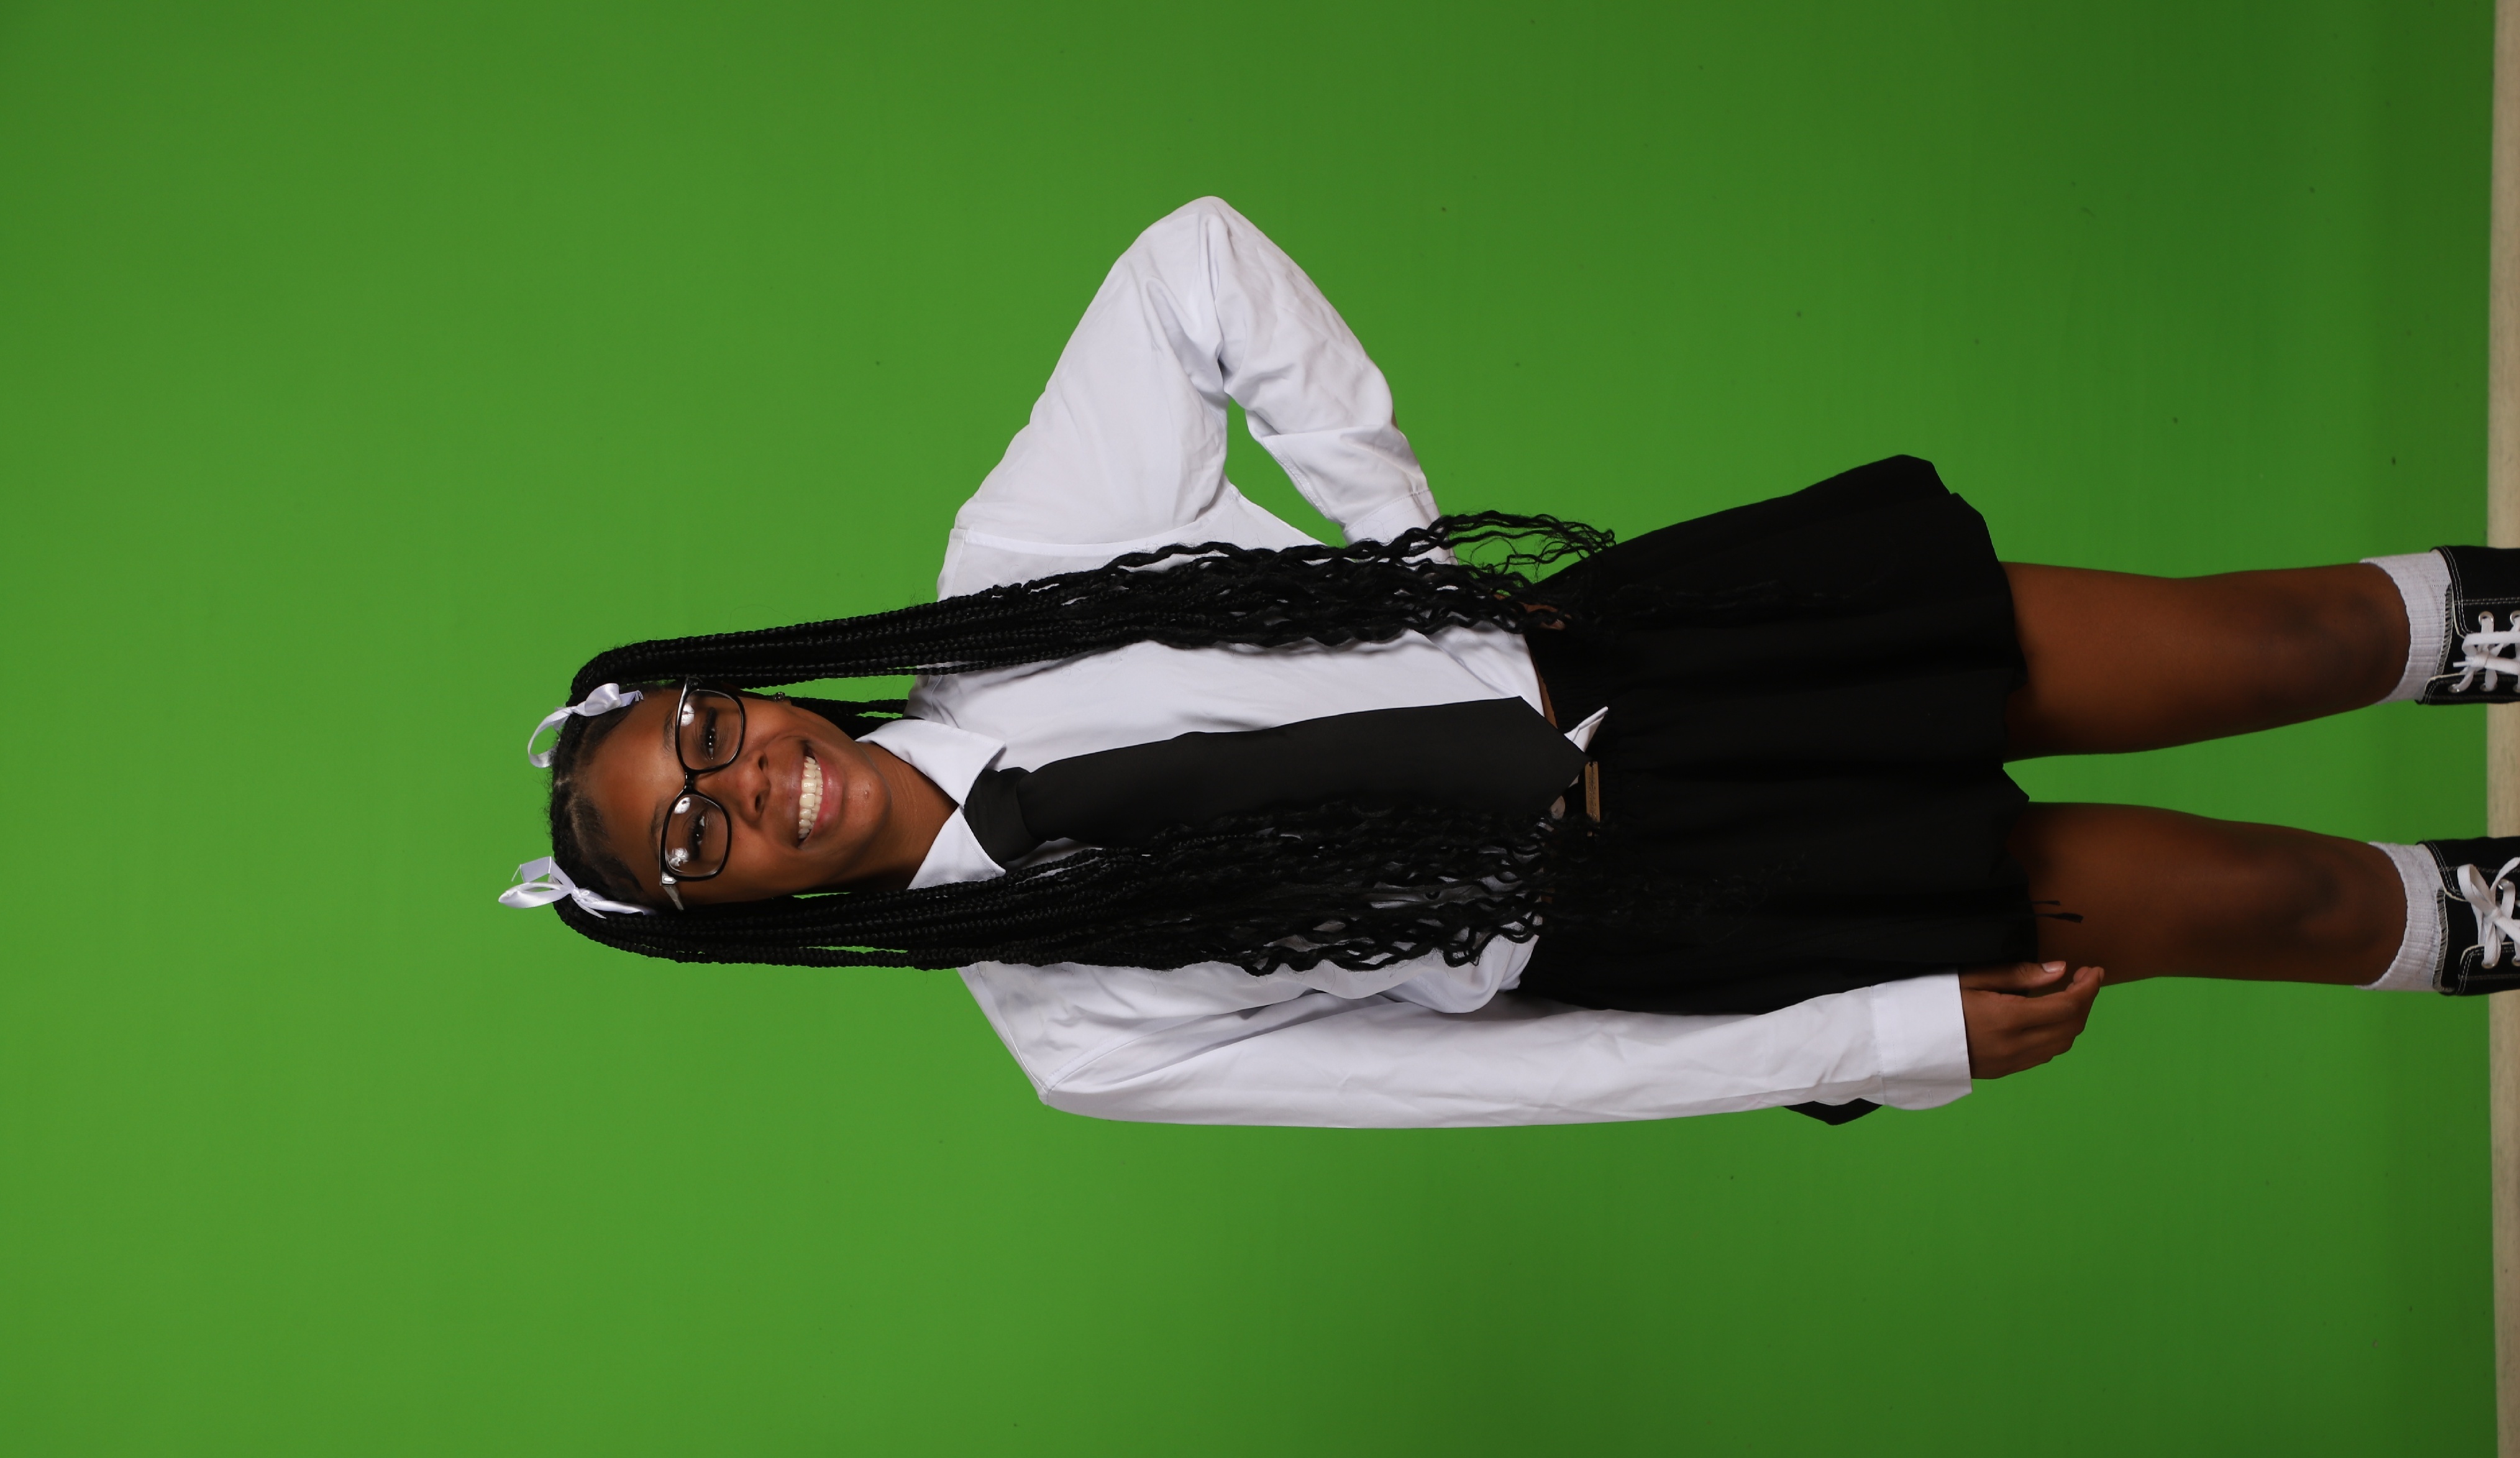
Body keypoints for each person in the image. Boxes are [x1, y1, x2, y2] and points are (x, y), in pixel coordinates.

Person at [498, 197, 2520, 1129]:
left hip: (1681, 661)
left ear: (735, 686)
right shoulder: (1078, 1036)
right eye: (694, 839)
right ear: (722, 916)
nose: (743, 785)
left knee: (2279, 635)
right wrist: (1873, 1037)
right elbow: (1515, 1078)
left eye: (706, 735)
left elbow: (1193, 266)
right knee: (2261, 902)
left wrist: (1396, 557)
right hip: (1687, 900)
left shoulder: (1017, 577)